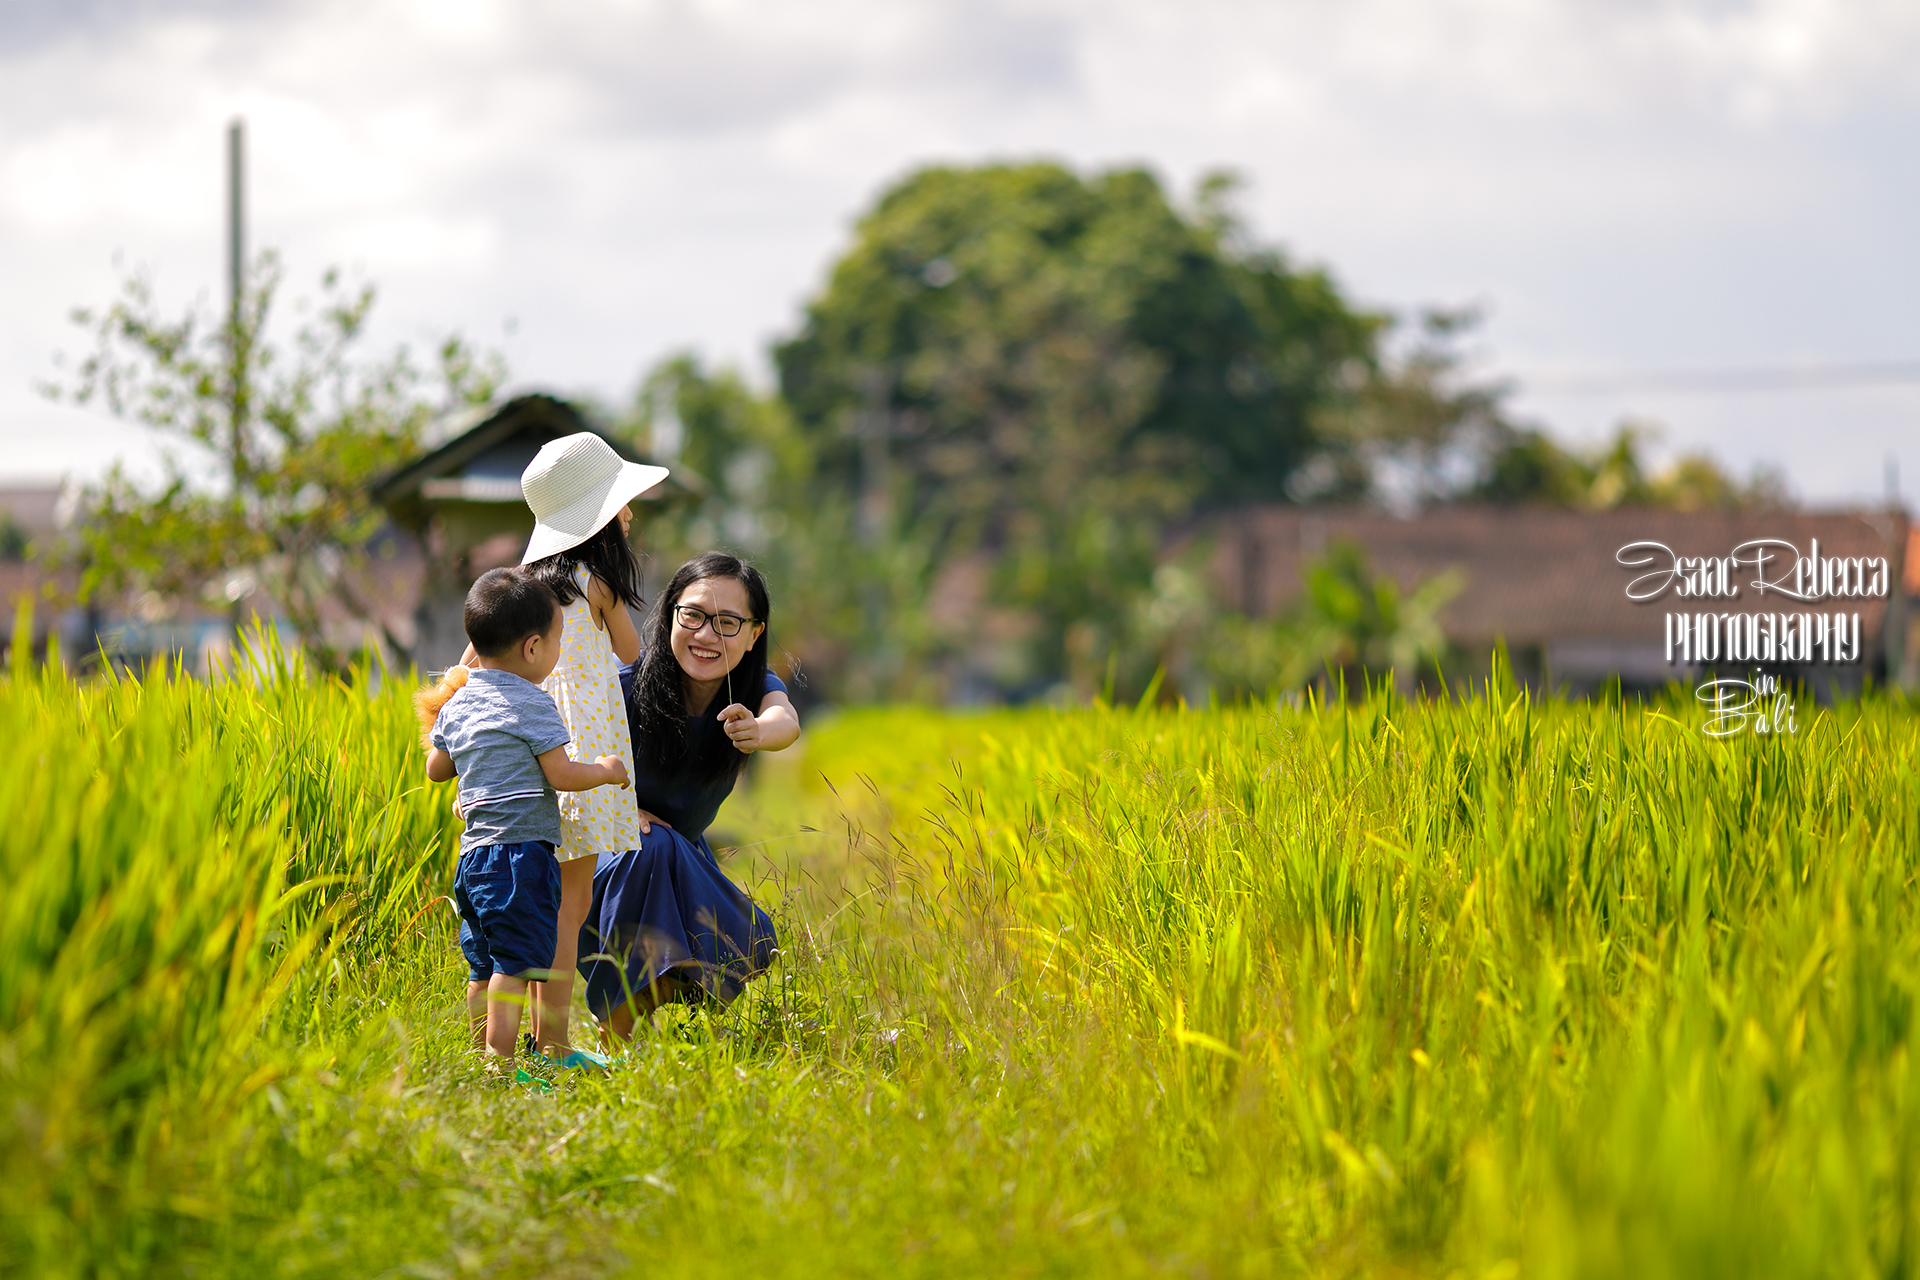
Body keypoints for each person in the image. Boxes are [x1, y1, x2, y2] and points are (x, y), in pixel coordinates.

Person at [459, 431, 667, 1059]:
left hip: (522, 760)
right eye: (621, 503)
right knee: (569, 905)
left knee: (526, 904)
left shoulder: (522, 592)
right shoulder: (595, 584)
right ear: (600, 517)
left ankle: (497, 1041)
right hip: (579, 755)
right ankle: (551, 1044)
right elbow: (633, 655)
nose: (629, 514)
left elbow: (470, 665)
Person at [577, 553, 800, 1040]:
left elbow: (786, 723)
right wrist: (622, 807)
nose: (705, 635)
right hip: (599, 859)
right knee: (650, 846)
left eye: (727, 623)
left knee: (750, 940)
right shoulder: (625, 687)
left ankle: (635, 1020)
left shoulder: (751, 689)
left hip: (678, 857)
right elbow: (566, 769)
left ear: (754, 634)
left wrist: (757, 732)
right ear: (670, 613)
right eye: (694, 615)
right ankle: (616, 1031)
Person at [423, 567, 631, 1066]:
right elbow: (560, 774)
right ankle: (502, 1061)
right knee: (514, 967)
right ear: (533, 648)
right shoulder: (535, 703)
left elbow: (437, 768)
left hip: (471, 858)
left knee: (482, 965)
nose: (558, 653)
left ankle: (479, 1054)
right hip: (519, 858)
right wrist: (604, 771)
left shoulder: (459, 704)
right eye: (557, 642)